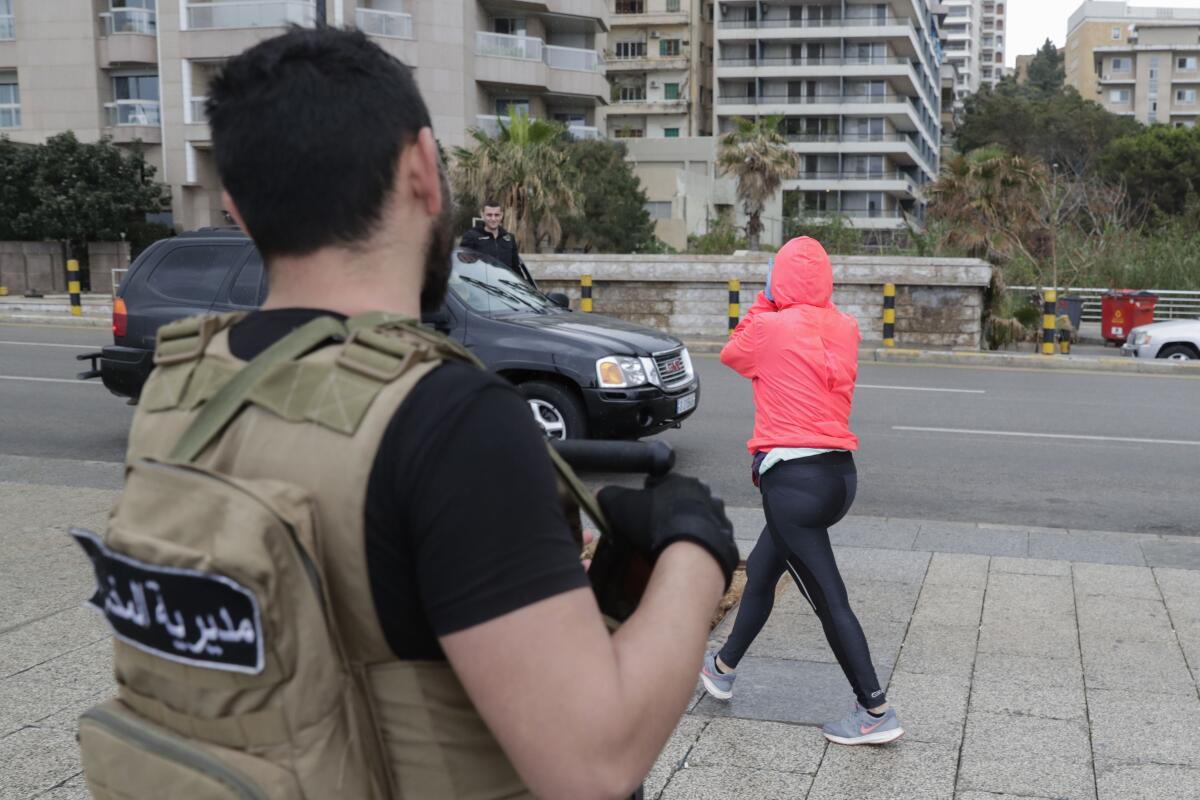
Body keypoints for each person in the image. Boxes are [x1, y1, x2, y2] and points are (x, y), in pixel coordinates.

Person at [81, 27, 738, 799]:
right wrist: (697, 549)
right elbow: (593, 763)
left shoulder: (182, 384)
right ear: (423, 170)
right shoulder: (451, 421)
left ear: (238, 209)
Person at [697, 236, 904, 746]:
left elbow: (732, 353)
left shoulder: (768, 326)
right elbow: (814, 322)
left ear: (777, 280)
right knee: (764, 570)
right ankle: (722, 668)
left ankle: (874, 709)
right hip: (837, 479)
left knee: (830, 600)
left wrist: (767, 301)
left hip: (793, 483)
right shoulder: (846, 326)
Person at [461, 200, 521, 271]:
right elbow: (465, 266)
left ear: (501, 215)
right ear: (482, 215)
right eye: (489, 215)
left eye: (496, 215)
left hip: (505, 281)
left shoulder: (509, 238)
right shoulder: (471, 236)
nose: (493, 219)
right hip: (481, 281)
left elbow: (516, 268)